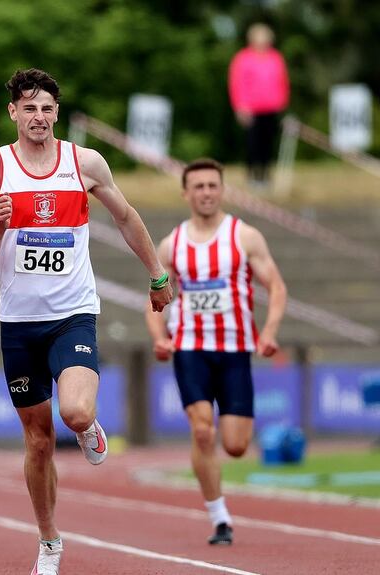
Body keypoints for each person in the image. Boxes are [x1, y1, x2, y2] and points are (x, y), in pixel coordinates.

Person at [0, 68, 173, 575]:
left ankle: (87, 426)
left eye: (47, 109)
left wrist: (156, 273)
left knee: (75, 413)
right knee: (37, 442)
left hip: (73, 314)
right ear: (13, 112)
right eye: (29, 108)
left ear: (57, 113)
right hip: (18, 323)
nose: (38, 117)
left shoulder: (84, 162)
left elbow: (126, 217)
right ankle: (49, 540)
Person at [144, 158, 286, 546]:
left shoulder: (245, 237)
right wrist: (160, 335)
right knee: (203, 430)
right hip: (190, 346)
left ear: (222, 190)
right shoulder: (172, 244)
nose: (206, 192)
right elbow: (155, 296)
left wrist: (269, 331)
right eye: (199, 186)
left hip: (236, 348)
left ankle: (214, 460)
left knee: (237, 445)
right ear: (186, 193)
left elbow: (276, 286)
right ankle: (219, 516)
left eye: (212, 185)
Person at [228, 22, 289, 190]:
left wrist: (282, 101)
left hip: (271, 108)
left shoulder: (276, 58)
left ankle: (265, 176)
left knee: (268, 144)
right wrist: (240, 106)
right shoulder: (243, 58)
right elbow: (237, 83)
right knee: (252, 144)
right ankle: (252, 176)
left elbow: (282, 81)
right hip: (250, 109)